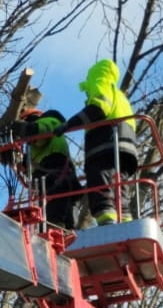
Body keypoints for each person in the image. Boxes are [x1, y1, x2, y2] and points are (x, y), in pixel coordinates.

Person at [57, 58, 138, 224]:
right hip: (126, 149)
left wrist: (69, 124)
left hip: (105, 145)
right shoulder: (121, 96)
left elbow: (99, 108)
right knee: (119, 185)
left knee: (100, 180)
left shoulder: (100, 82)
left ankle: (106, 217)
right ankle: (126, 218)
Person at [15, 107, 81, 229]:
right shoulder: (36, 147)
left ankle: (56, 233)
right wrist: (21, 163)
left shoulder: (49, 121)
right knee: (63, 220)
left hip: (54, 171)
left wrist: (16, 127)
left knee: (52, 219)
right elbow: (35, 159)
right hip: (56, 175)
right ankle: (65, 233)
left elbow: (38, 133)